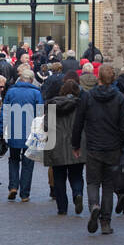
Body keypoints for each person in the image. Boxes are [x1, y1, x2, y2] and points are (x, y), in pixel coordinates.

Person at [72, 62, 124, 235]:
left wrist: (75, 144)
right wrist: (121, 147)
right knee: (109, 186)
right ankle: (105, 222)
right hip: (112, 147)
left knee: (93, 181)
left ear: (99, 78)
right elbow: (123, 126)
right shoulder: (119, 98)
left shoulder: (88, 97)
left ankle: (94, 205)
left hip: (94, 146)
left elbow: (79, 122)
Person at [44, 78, 86, 216]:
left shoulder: (52, 105)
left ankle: (62, 207)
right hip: (76, 145)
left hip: (56, 145)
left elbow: (46, 126)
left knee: (59, 177)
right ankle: (77, 194)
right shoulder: (81, 105)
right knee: (76, 175)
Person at [1, 66, 43, 202]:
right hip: (30, 133)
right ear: (31, 80)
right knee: (28, 163)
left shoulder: (11, 92)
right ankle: (24, 193)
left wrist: (1, 130)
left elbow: (4, 113)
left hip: (14, 131)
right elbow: (40, 115)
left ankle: (13, 186)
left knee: (13, 160)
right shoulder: (36, 93)